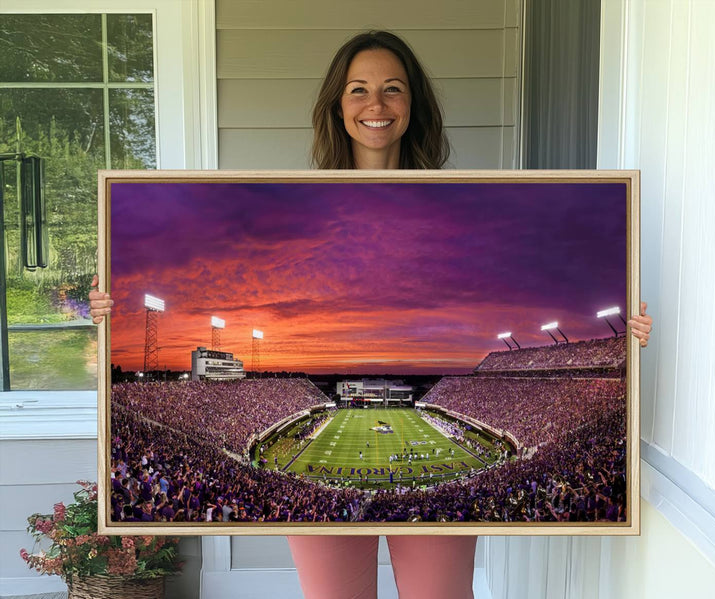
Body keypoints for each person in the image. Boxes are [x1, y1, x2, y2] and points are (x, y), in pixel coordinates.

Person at [90, 30, 653, 599]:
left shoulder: (456, 200)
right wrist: (109, 309)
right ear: (338, 104)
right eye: (358, 89)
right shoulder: (302, 204)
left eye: (392, 89)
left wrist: (626, 338)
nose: (376, 105)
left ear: (413, 105)